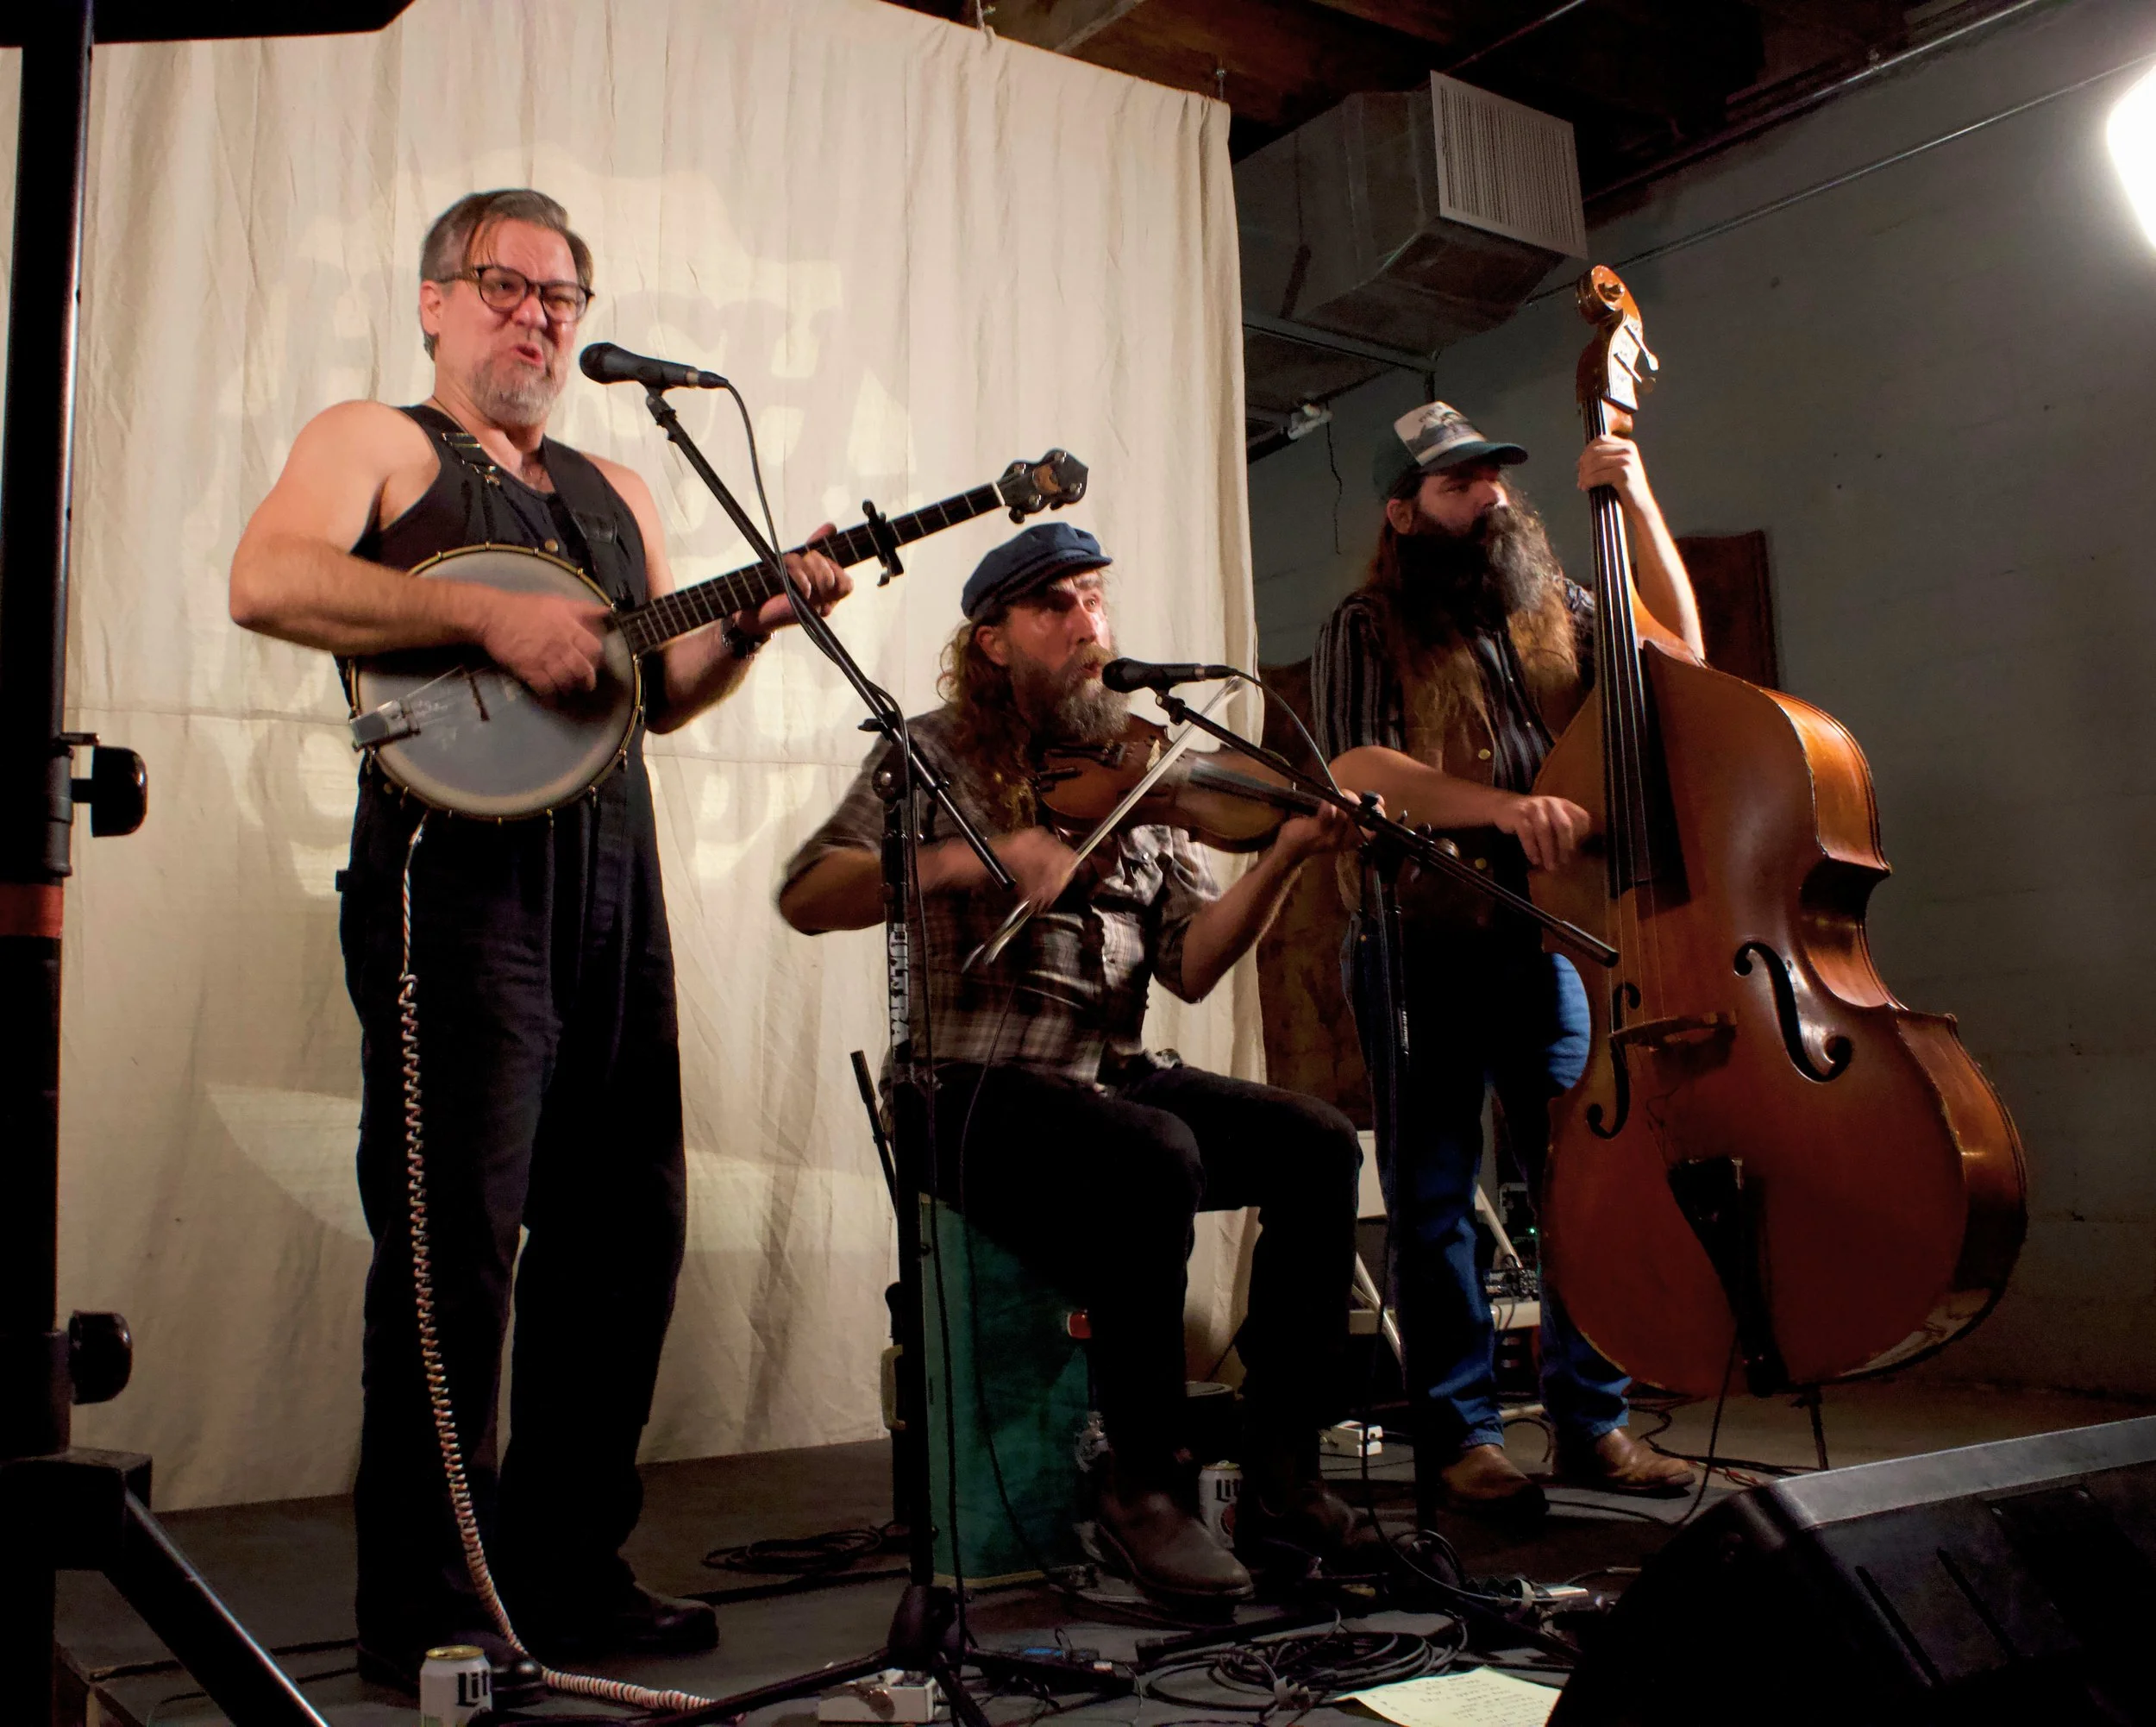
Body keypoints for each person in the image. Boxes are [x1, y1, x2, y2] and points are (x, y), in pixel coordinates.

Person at [229, 189, 850, 1693]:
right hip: (457, 875)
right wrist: (490, 627)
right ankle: (428, 1608)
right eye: (506, 286)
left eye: (563, 297)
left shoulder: (616, 484)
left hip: (610, 870)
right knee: (454, 1253)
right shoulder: (373, 440)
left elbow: (648, 684)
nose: (540, 318)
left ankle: (569, 1572)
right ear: (435, 300)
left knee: (621, 1236)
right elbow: (268, 579)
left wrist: (755, 621)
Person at [780, 521, 1377, 1604]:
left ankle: (1284, 1465)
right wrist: (979, 854)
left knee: (1316, 1144)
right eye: (1056, 605)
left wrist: (1287, 855)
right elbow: (809, 892)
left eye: (1096, 596)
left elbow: (1191, 965)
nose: (1087, 623)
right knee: (1152, 1155)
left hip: (1107, 1072)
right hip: (962, 1091)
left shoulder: (1141, 774)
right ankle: (1141, 1485)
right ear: (994, 639)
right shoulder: (932, 751)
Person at [1313, 400, 1702, 1525]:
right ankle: (1463, 1437)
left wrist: (1634, 496)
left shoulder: (1547, 606)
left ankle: (1593, 1421)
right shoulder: (1365, 620)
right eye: (1455, 483)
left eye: (1490, 476)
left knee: (1579, 1185)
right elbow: (1357, 764)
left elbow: (1681, 648)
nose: (1485, 495)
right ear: (1403, 510)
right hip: (1418, 941)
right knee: (1435, 1200)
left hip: (1550, 938)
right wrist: (1503, 805)